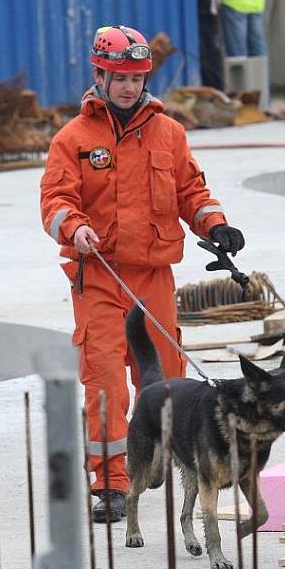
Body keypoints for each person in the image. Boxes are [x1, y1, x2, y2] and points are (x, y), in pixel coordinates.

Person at [39, 25, 245, 523]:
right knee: (106, 379)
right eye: (120, 78)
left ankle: (156, 457)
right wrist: (75, 228)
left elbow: (191, 192)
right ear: (99, 75)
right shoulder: (74, 139)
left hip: (153, 277)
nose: (130, 87)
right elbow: (55, 202)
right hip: (101, 277)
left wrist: (215, 225)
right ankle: (110, 483)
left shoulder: (168, 134)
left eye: (137, 77)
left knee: (168, 380)